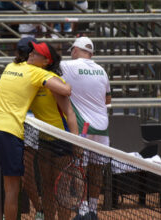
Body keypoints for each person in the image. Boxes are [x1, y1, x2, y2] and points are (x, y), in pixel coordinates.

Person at [0, 38, 72, 220]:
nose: (32, 53)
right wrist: (67, 84)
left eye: (36, 52)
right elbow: (66, 90)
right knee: (12, 191)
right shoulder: (38, 73)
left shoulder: (10, 67)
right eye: (32, 51)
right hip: (9, 131)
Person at [20, 40, 78, 220]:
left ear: (47, 61)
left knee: (61, 189)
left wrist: (76, 142)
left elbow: (69, 113)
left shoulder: (55, 82)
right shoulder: (33, 80)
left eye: (36, 53)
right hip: (44, 140)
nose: (31, 54)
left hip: (62, 139)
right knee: (46, 186)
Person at [60, 36, 111, 220]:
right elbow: (108, 100)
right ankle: (93, 210)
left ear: (75, 50)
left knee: (79, 168)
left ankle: (82, 211)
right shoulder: (102, 71)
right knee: (97, 169)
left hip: (82, 127)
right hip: (102, 127)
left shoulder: (67, 66)